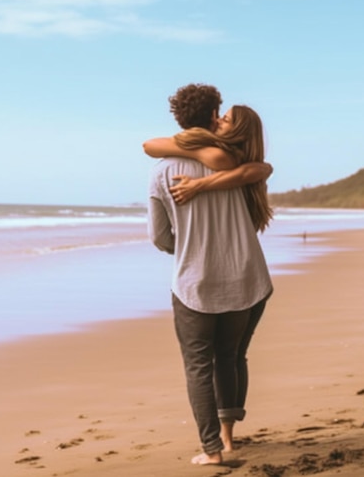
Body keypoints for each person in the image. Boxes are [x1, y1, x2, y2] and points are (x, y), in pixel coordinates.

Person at [144, 88, 273, 465]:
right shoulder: (237, 164)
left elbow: (159, 236)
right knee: (230, 357)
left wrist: (182, 248)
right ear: (215, 113)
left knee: (198, 366)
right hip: (246, 277)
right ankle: (229, 440)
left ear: (179, 120)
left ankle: (211, 450)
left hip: (194, 282)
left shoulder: (162, 172)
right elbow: (259, 177)